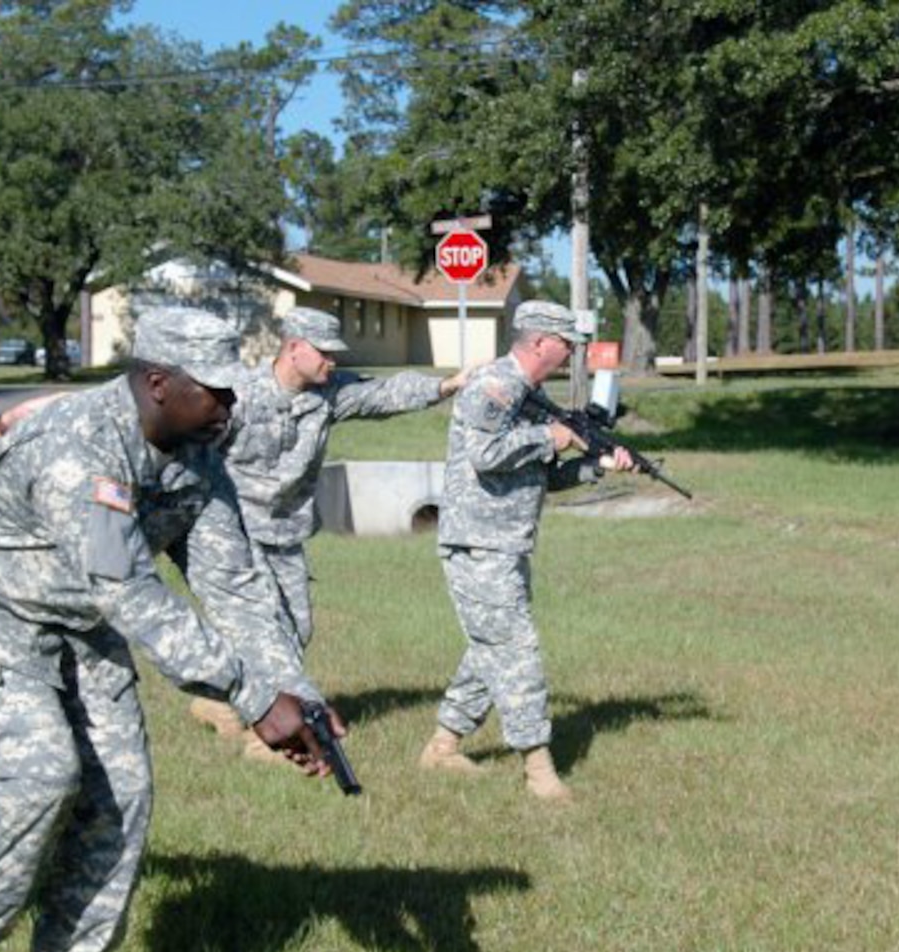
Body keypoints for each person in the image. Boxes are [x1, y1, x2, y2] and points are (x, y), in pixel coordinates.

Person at [0, 305, 339, 952]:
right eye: (215, 390)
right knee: (36, 771)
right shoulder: (78, 444)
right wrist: (250, 698)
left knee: (122, 791)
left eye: (234, 389)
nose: (231, 404)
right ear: (157, 381)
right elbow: (131, 595)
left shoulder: (199, 457)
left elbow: (238, 589)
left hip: (73, 614)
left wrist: (294, 692)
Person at [189, 306, 468, 758]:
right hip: (235, 531)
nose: (332, 363)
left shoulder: (329, 393)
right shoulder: (237, 395)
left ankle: (218, 700)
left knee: (296, 626)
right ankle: (271, 736)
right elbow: (190, 453)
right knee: (269, 630)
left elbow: (384, 394)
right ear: (294, 348)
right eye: (324, 353)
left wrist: (445, 385)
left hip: (287, 531)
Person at [426, 300, 635, 799]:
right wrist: (552, 436)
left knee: (489, 649)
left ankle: (441, 747)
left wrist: (598, 464)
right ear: (541, 341)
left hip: (506, 543)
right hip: (477, 542)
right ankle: (539, 769)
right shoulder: (494, 387)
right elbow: (485, 454)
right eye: (566, 346)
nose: (570, 356)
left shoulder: (531, 395)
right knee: (516, 653)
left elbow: (541, 474)